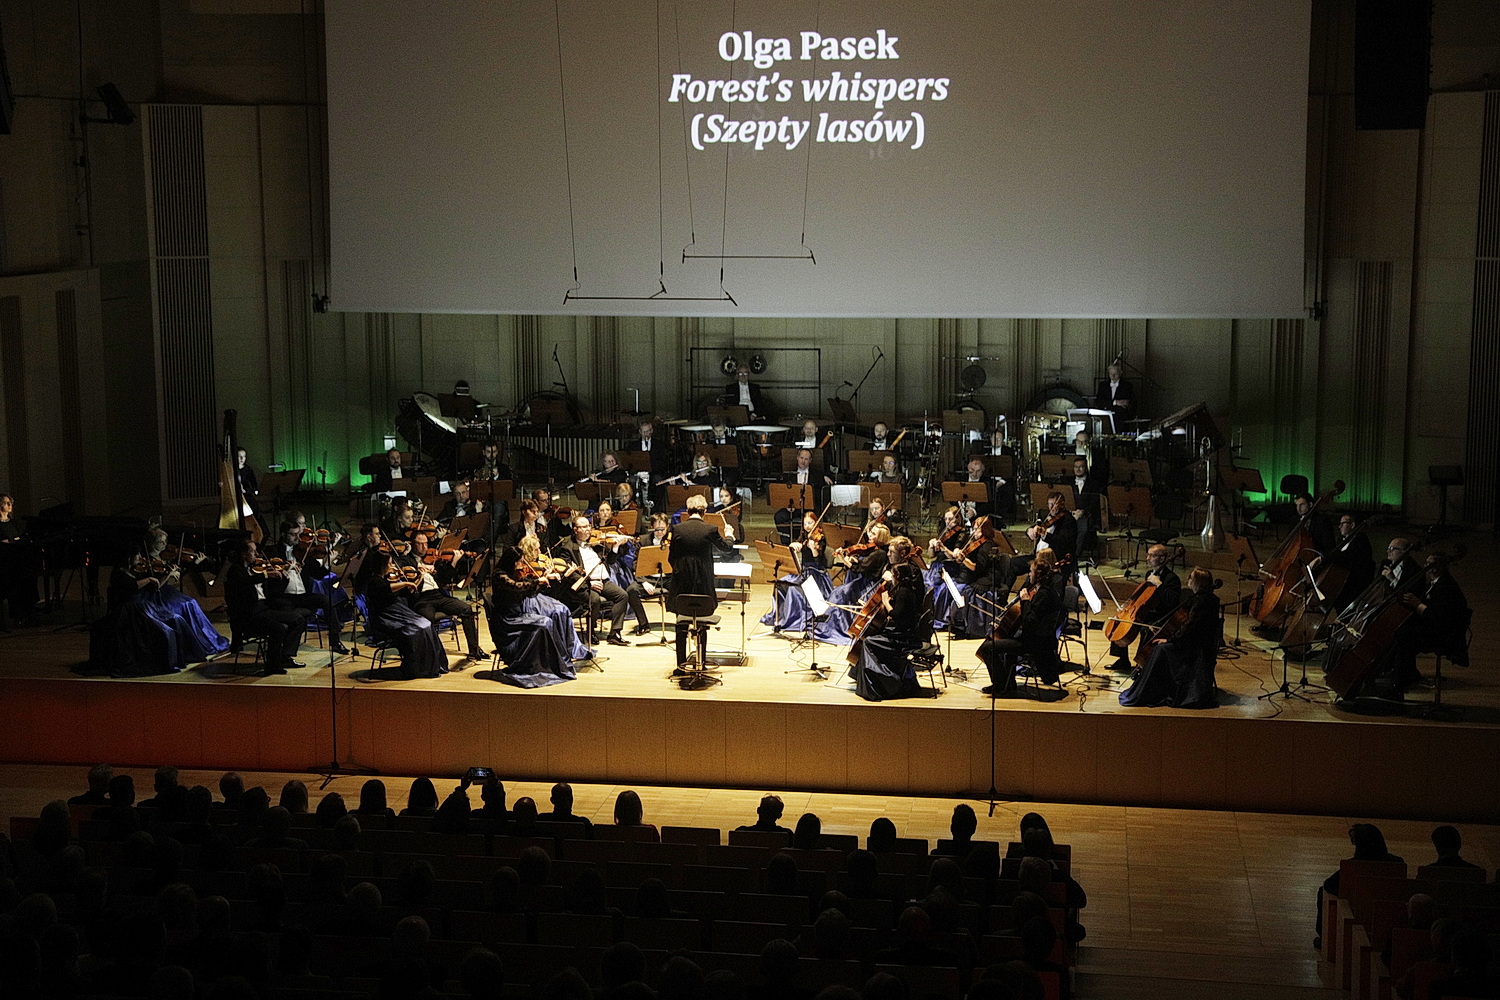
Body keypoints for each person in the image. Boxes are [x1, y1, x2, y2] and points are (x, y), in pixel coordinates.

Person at [486, 536, 586, 687]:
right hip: (507, 620)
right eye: (519, 562)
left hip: (518, 615)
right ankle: (541, 666)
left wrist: (543, 581)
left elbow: (528, 592)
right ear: (511, 561)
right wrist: (536, 581)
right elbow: (516, 587)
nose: (521, 565)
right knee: (544, 622)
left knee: (547, 621)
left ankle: (550, 664)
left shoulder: (514, 573)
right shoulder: (499, 575)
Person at [1119, 566, 1221, 708]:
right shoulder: (1206, 599)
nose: (1188, 580)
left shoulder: (1201, 602)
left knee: (1160, 649)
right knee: (1159, 646)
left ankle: (1150, 692)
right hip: (1194, 643)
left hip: (1195, 651)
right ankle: (1150, 688)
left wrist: (1169, 640)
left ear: (1197, 581)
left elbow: (1189, 628)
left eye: (1191, 577)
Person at [353, 545, 448, 680]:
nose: (392, 566)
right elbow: (386, 589)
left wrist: (419, 577)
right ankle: (419, 668)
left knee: (426, 624)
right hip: (387, 618)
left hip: (398, 613)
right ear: (382, 564)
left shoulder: (387, 578)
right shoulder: (374, 581)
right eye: (390, 563)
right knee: (419, 627)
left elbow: (404, 593)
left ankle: (432, 665)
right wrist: (404, 584)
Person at [850, 535, 927, 701]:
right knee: (870, 632)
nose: (888, 554)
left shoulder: (910, 573)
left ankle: (885, 682)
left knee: (868, 639)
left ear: (903, 553)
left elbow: (901, 609)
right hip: (904, 623)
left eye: (892, 552)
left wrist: (888, 597)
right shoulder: (902, 570)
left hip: (906, 630)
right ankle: (868, 678)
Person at [667, 494, 736, 668]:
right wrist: (729, 535)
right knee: (702, 621)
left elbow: (671, 558)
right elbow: (727, 549)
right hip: (702, 584)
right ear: (704, 511)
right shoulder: (711, 529)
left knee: (681, 623)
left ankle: (681, 665)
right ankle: (701, 662)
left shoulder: (677, 529)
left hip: (681, 584)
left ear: (687, 511)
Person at [261, 521, 350, 656]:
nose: (297, 538)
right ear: (283, 534)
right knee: (292, 616)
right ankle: (285, 653)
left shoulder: (304, 552)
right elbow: (267, 574)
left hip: (302, 596)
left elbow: (318, 575)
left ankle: (335, 640)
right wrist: (285, 568)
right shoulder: (272, 551)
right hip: (282, 597)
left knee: (326, 600)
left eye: (298, 534)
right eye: (293, 535)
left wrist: (327, 563)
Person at [978, 556, 1062, 695]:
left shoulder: (1044, 595)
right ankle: (1008, 684)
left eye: (1031, 572)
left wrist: (1025, 601)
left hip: (1036, 643)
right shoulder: (1041, 590)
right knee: (1005, 639)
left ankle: (999, 685)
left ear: (1038, 574)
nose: (1029, 574)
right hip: (1035, 638)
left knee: (987, 648)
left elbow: (1030, 622)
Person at [400, 532, 488, 665]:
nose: (424, 547)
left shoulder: (434, 560)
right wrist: (419, 570)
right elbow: (403, 570)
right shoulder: (406, 560)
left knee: (466, 608)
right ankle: (431, 654)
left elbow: (445, 579)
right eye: (420, 543)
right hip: (421, 599)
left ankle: (474, 650)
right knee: (426, 620)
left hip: (438, 595)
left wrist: (453, 562)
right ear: (412, 544)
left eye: (426, 543)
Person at [223, 539, 308, 675]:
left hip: (263, 609)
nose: (257, 554)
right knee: (279, 628)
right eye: (253, 551)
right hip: (248, 615)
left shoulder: (255, 569)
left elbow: (273, 593)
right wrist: (266, 575)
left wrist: (284, 575)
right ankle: (272, 666)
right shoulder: (236, 571)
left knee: (298, 619)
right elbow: (243, 583)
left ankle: (285, 656)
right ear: (244, 554)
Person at [1390, 552, 1470, 696]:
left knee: (1404, 637)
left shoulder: (1446, 587)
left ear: (1435, 568)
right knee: (1402, 632)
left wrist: (1418, 604)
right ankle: (1406, 675)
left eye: (1428, 564)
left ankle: (1399, 685)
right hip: (1436, 629)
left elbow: (1438, 619)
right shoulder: (1434, 584)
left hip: (1445, 636)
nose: (1425, 567)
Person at [1315, 823, 1403, 947]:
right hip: (1387, 915)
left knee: (1322, 892)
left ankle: (1324, 938)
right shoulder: (1397, 862)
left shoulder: (1352, 867)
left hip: (1359, 913)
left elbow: (1329, 885)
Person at [552, 515, 633, 647]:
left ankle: (615, 633)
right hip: (583, 585)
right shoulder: (567, 548)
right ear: (576, 529)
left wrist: (615, 547)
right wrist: (589, 583)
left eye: (589, 526)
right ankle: (591, 632)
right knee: (594, 600)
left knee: (622, 595)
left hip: (603, 581)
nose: (588, 529)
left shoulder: (596, 544)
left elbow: (610, 561)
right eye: (584, 527)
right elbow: (571, 574)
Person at [1107, 544, 1181, 671]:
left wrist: (1159, 584)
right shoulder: (1149, 574)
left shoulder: (1171, 578)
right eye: (1148, 555)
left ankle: (1141, 666)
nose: (1147, 558)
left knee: (1145, 630)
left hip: (1160, 615)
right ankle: (1122, 660)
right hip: (1146, 611)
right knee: (1120, 621)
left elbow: (1172, 601)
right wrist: (1127, 606)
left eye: (1152, 556)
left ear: (1162, 559)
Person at [815, 523, 891, 645]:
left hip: (868, 586)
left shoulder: (879, 554)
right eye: (870, 532)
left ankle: (840, 628)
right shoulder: (875, 550)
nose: (870, 535)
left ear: (880, 537)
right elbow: (863, 564)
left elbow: (858, 569)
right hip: (863, 581)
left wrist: (842, 557)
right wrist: (853, 558)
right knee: (839, 592)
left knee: (841, 593)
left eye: (873, 534)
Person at [761, 511, 831, 633]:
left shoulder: (821, 539)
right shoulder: (804, 535)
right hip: (803, 571)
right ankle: (780, 616)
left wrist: (814, 549)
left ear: (816, 523)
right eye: (805, 523)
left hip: (816, 574)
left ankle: (793, 620)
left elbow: (819, 561)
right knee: (781, 584)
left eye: (810, 523)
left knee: (794, 590)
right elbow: (797, 545)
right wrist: (794, 545)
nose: (808, 526)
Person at [1010, 491, 1077, 591]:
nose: (1051, 507)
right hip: (1036, 557)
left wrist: (1045, 535)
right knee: (1012, 563)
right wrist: (1030, 530)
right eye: (1049, 504)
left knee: (1025, 588)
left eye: (1054, 504)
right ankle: (1002, 597)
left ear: (1062, 504)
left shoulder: (1068, 520)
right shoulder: (1047, 516)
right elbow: (1035, 526)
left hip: (1052, 561)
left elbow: (1063, 542)